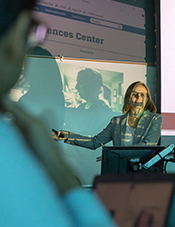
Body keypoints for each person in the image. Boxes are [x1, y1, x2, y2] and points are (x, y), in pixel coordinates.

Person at [0, 0, 116, 226]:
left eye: (82, 84)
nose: (77, 88)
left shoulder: (104, 113)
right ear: (18, 32)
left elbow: (94, 142)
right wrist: (60, 170)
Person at [53, 81, 162, 150]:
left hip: (144, 174)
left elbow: (148, 145)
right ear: (129, 97)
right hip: (121, 172)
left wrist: (116, 154)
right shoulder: (116, 121)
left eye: (143, 95)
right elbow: (95, 142)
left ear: (147, 99)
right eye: (135, 94)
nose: (139, 98)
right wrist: (67, 135)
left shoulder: (155, 119)